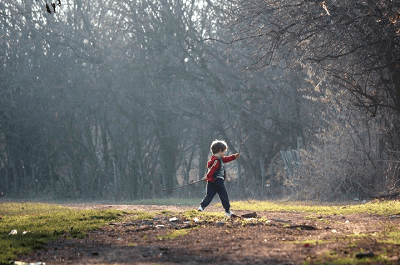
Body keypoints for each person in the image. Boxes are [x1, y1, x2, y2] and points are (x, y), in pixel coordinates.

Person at [198, 140, 240, 217]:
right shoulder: (217, 160)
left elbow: (227, 159)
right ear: (220, 150)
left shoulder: (216, 159)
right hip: (218, 181)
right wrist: (207, 176)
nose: (224, 154)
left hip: (211, 182)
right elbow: (213, 169)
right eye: (224, 151)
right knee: (224, 196)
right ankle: (227, 211)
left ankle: (201, 207)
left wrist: (234, 156)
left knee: (209, 196)